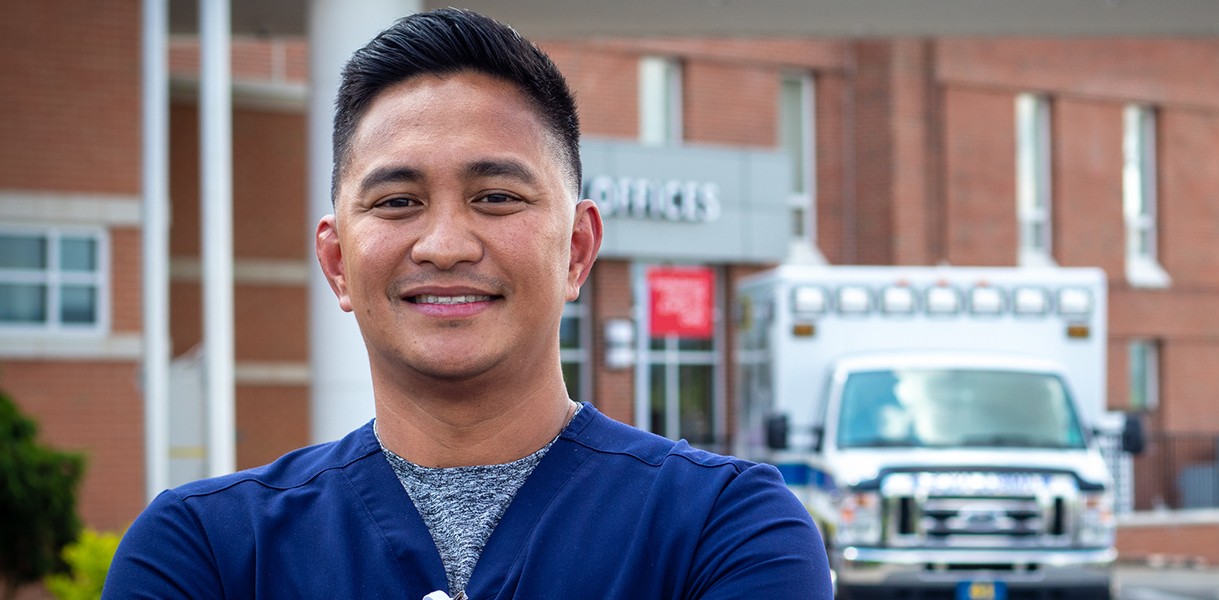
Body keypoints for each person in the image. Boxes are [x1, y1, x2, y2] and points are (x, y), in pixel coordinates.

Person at [104, 8, 831, 599]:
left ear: (577, 249)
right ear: (336, 263)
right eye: (397, 202)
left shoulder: (727, 529)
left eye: (495, 197)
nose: (445, 244)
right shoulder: (205, 552)